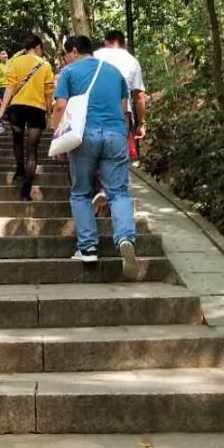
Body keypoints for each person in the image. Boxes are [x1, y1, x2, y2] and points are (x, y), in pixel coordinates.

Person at [53, 34, 138, 281]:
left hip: (84, 136)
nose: (65, 59)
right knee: (119, 192)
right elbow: (124, 110)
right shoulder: (115, 73)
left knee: (81, 191)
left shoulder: (69, 73)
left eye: (66, 54)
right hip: (115, 135)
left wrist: (58, 141)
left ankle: (88, 248)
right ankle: (124, 238)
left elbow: (60, 107)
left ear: (75, 51)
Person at [0, 34, 55, 201]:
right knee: (32, 150)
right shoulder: (46, 65)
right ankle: (25, 190)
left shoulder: (16, 62)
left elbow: (10, 88)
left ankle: (20, 169)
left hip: (17, 108)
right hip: (37, 109)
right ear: (38, 47)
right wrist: (49, 114)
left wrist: (0, 112)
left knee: (17, 140)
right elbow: (49, 94)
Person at [90, 29, 147, 214]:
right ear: (123, 43)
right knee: (117, 156)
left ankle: (99, 190)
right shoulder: (132, 60)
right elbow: (139, 95)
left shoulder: (94, 56)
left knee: (95, 152)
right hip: (121, 113)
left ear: (106, 41)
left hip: (93, 112)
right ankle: (114, 197)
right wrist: (142, 122)